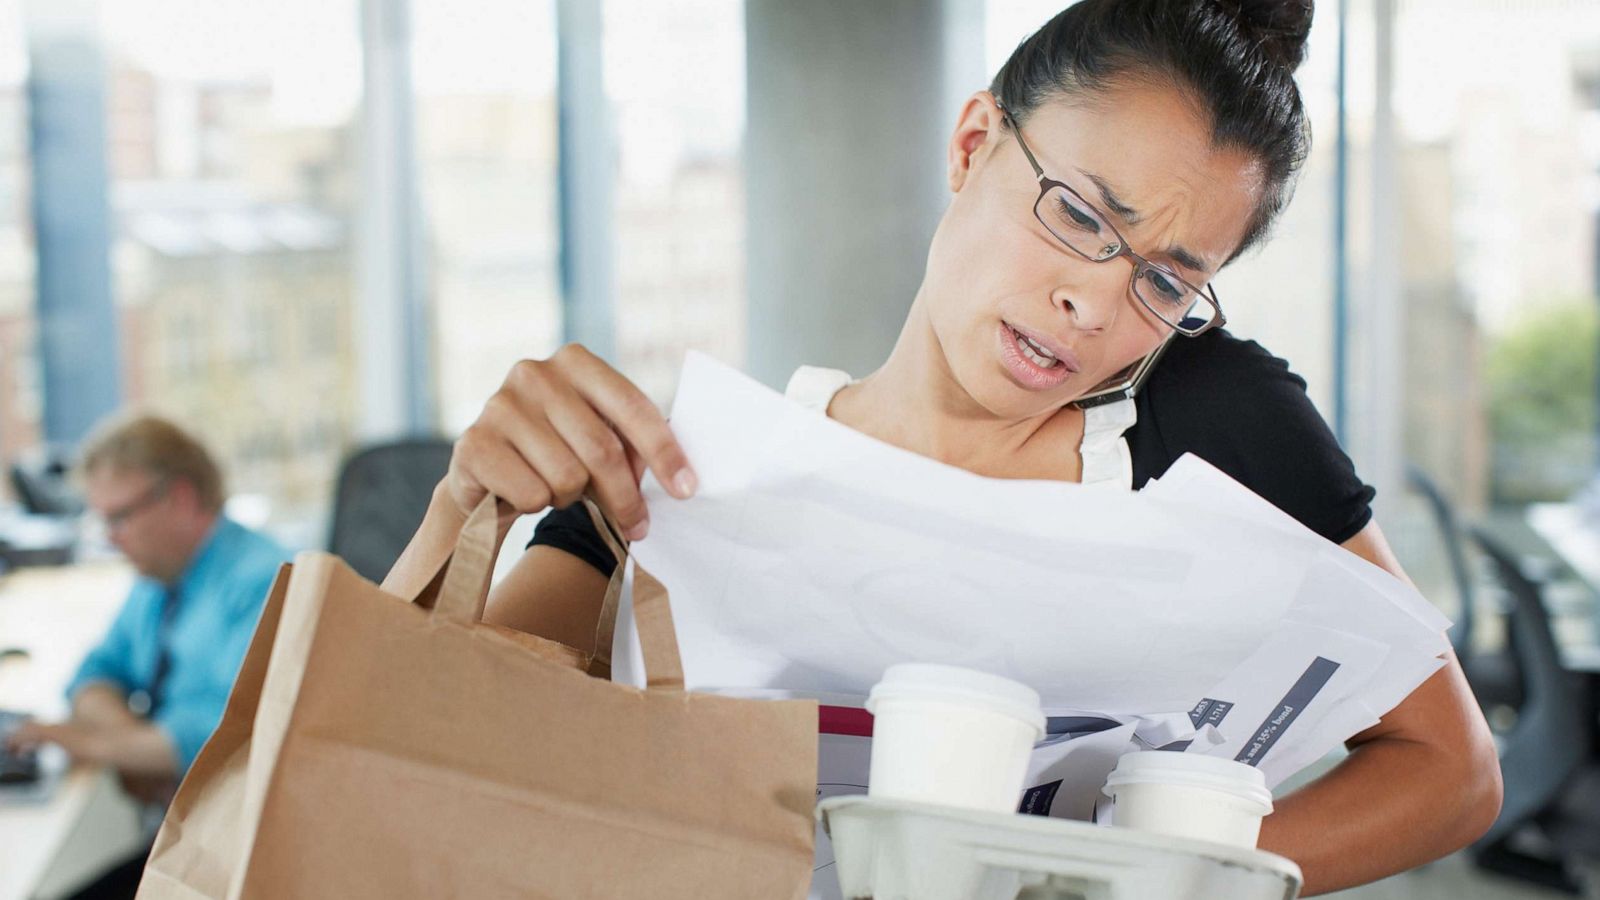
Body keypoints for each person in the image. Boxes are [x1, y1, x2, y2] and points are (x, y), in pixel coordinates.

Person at [383, 0, 1502, 893]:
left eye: (1165, 279)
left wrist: (1170, 888)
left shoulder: (1206, 423)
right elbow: (399, 764)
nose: (1091, 306)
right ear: (973, 144)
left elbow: (1448, 770)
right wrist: (459, 507)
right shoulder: (680, 480)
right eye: (1077, 215)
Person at [7, 414, 288, 899]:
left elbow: (212, 744)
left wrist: (79, 740)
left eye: (119, 517)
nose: (110, 537)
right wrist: (129, 742)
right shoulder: (160, 580)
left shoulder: (266, 582)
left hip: (242, 854)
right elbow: (93, 675)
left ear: (178, 497)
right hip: (181, 833)